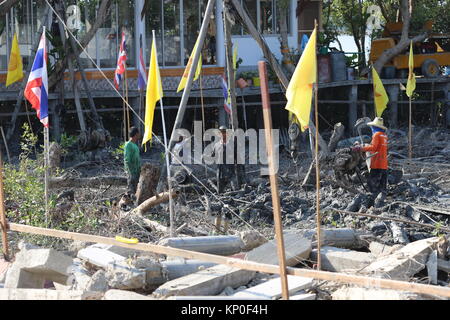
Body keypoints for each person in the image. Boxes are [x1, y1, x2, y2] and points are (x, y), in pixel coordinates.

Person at [352, 117, 388, 196]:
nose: (371, 128)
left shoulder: (376, 135)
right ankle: (382, 198)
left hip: (377, 162)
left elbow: (373, 148)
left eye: (372, 127)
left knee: (372, 183)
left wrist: (361, 148)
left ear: (374, 127)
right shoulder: (384, 135)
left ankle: (372, 198)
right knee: (383, 184)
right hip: (384, 163)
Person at [124, 127, 141, 194]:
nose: (139, 135)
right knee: (130, 190)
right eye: (138, 133)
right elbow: (127, 159)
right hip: (131, 171)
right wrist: (130, 171)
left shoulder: (135, 145)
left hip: (137, 171)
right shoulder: (128, 145)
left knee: (136, 189)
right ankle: (127, 203)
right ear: (136, 134)